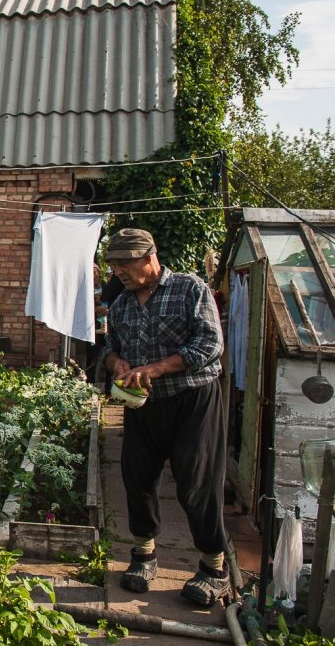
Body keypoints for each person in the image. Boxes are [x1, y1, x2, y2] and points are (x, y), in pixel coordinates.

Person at [101, 228, 229, 606]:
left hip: (193, 400)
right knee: (137, 477)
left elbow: (210, 343)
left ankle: (214, 567)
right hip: (144, 404)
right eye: (114, 265)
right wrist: (117, 362)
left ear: (149, 257)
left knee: (196, 482)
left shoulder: (190, 290)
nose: (119, 271)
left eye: (125, 263)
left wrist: (156, 368)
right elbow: (109, 348)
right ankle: (143, 556)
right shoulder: (122, 304)